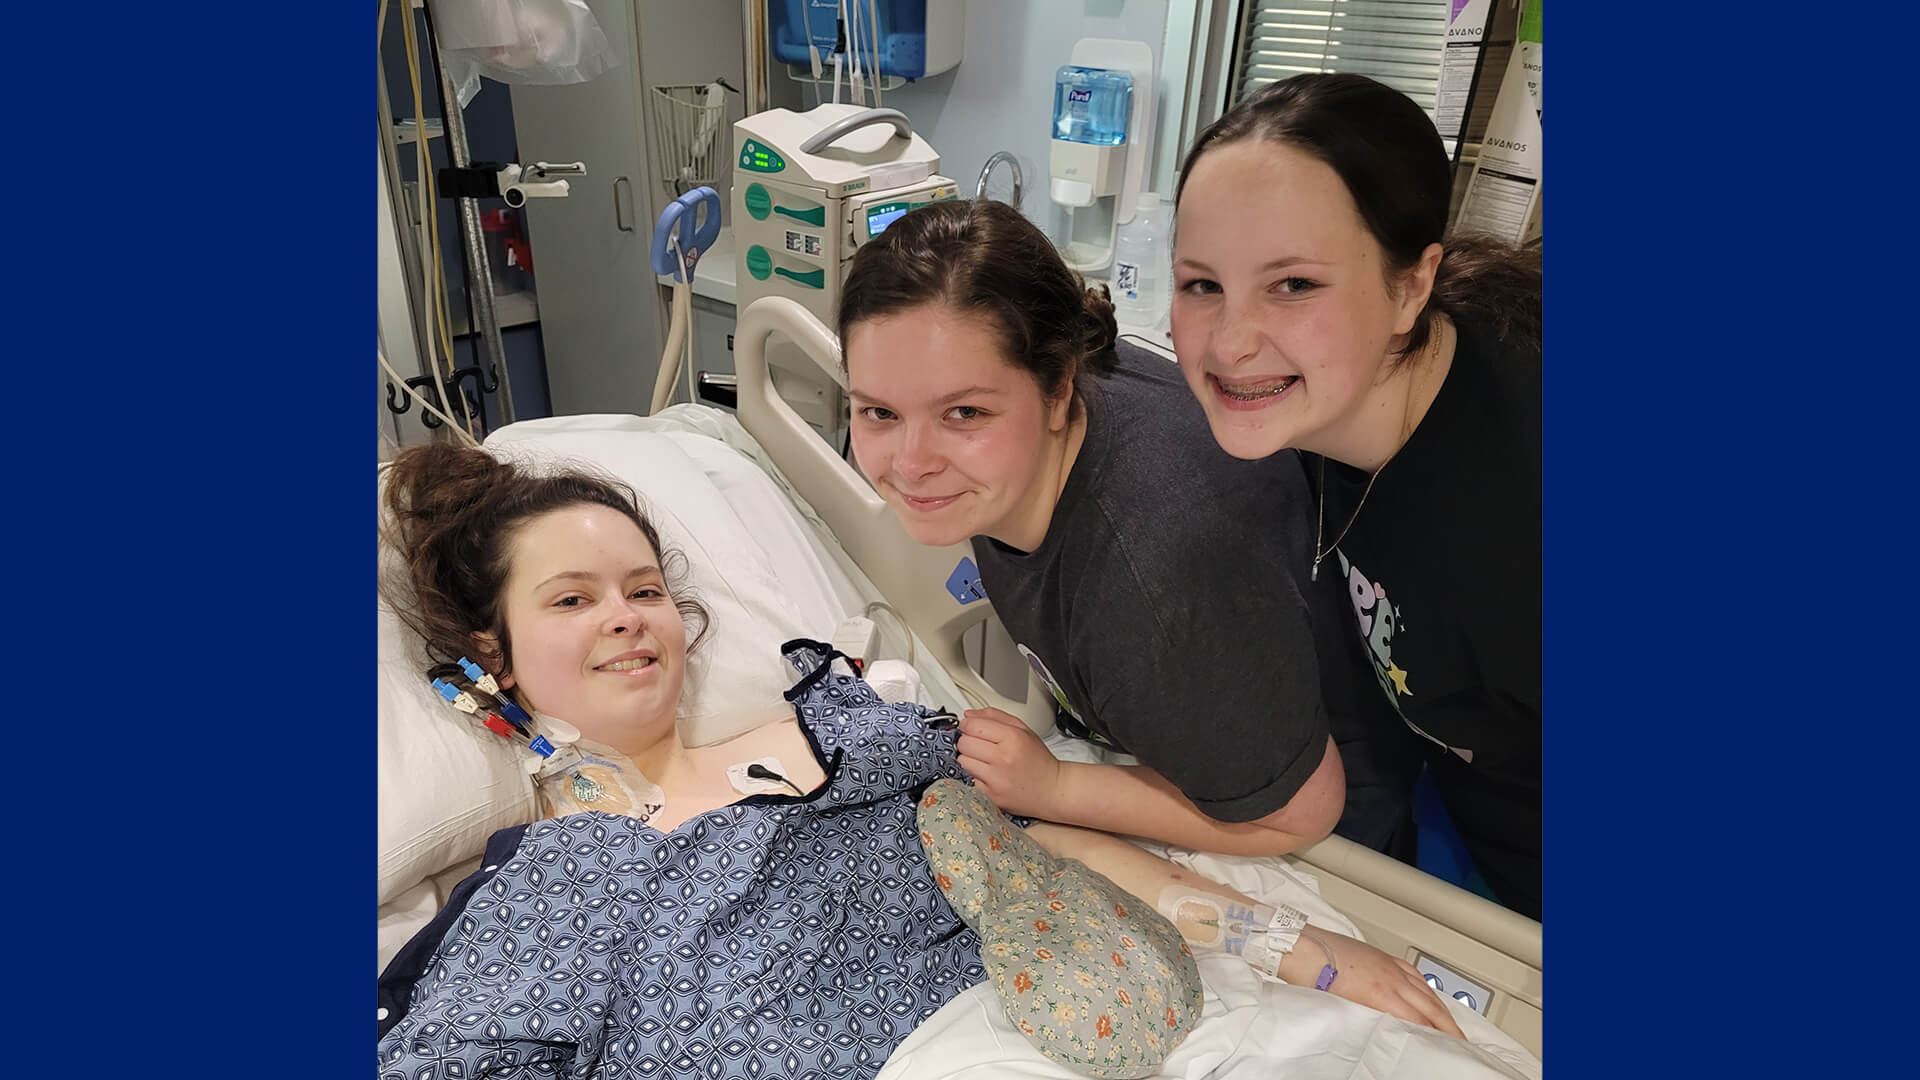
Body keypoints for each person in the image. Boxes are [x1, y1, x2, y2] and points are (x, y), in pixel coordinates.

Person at [375, 445, 1463, 1078]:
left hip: (1104, 1019)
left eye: (644, 588)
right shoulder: (553, 883)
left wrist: (1295, 947)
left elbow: (1032, 849)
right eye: (572, 600)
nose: (625, 616)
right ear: (492, 657)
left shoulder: (845, 725)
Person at [839, 198, 1420, 863]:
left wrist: (1055, 786)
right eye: (879, 412)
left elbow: (1302, 814)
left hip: (1310, 820)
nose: (912, 463)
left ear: (1059, 388)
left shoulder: (1151, 586)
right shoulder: (1070, 399)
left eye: (964, 413)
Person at [1168, 74, 1542, 920]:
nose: (1230, 344)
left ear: (1410, 286)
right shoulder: (1317, 418)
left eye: (1294, 284)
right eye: (1201, 284)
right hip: (1446, 822)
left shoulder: (1522, 520)